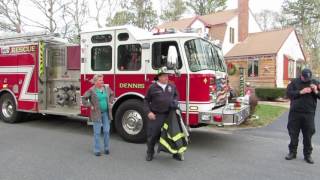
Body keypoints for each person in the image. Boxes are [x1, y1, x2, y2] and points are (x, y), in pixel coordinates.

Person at [144, 66, 181, 161]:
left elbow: (176, 96)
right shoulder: (152, 87)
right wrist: (149, 112)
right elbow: (146, 101)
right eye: (164, 76)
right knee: (152, 135)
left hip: (169, 114)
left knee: (174, 134)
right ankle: (150, 153)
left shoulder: (172, 86)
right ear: (159, 77)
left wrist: (175, 101)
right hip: (157, 115)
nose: (166, 77)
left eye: (167, 75)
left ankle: (175, 153)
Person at [286, 68, 320, 164]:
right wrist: (301, 92)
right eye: (305, 78)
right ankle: (292, 152)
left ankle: (307, 155)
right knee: (293, 133)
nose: (307, 80)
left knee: (308, 135)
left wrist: (316, 91)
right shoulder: (294, 82)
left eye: (308, 78)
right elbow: (288, 94)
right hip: (295, 113)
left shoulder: (314, 82)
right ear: (301, 76)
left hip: (309, 114)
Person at [84, 74, 114, 156]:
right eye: (100, 80)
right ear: (95, 82)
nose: (102, 81)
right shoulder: (91, 90)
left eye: (102, 80)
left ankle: (106, 148)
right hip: (97, 114)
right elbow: (84, 99)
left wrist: (111, 102)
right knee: (97, 132)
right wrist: (91, 105)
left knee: (106, 131)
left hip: (106, 113)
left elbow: (112, 94)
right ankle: (97, 149)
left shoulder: (106, 88)